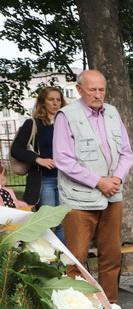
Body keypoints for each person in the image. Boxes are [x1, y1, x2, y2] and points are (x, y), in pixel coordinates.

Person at [53, 69, 133, 309]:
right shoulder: (66, 116)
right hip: (79, 200)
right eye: (92, 90)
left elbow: (126, 153)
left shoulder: (112, 112)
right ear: (79, 90)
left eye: (101, 89)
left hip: (112, 196)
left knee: (111, 255)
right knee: (76, 259)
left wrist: (116, 178)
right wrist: (98, 182)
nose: (98, 95)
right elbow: (63, 159)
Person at [10, 86, 66, 240]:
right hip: (45, 180)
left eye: (58, 100)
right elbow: (16, 149)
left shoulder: (67, 124)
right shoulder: (32, 124)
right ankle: (49, 255)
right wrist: (37, 159)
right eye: (51, 99)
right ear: (43, 102)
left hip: (66, 180)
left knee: (64, 223)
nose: (55, 103)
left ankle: (62, 256)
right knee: (48, 222)